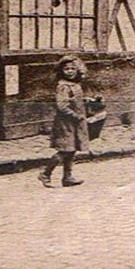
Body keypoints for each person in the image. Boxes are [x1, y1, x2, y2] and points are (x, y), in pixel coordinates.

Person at [39, 56, 90, 188]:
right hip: (65, 123)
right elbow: (62, 106)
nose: (70, 71)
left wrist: (88, 100)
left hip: (74, 123)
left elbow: (75, 100)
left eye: (73, 68)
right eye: (66, 69)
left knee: (71, 150)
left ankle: (67, 177)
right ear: (61, 71)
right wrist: (75, 115)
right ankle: (45, 173)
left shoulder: (75, 85)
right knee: (64, 150)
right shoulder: (63, 86)